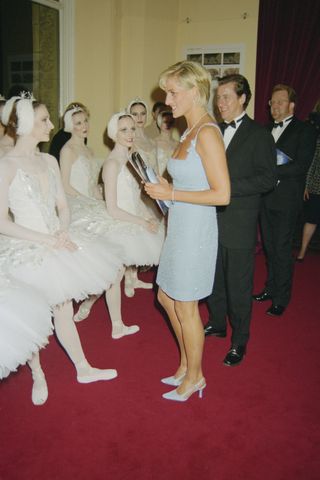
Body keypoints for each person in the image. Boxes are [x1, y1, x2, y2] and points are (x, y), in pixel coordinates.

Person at [0, 94, 123, 405]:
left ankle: (83, 368)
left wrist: (63, 230)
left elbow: (63, 206)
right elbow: (2, 222)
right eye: (44, 120)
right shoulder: (5, 166)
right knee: (32, 317)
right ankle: (38, 373)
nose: (51, 125)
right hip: (24, 247)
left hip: (57, 239)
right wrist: (45, 240)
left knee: (63, 309)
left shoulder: (49, 160)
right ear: (27, 124)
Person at [145, 60, 230, 402]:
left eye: (173, 91)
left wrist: (173, 193)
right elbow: (189, 179)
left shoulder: (207, 132)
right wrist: (165, 185)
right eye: (167, 91)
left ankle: (196, 377)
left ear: (195, 92)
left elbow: (222, 194)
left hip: (196, 230)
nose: (167, 99)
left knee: (186, 306)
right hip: (179, 224)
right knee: (166, 297)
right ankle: (185, 365)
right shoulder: (188, 131)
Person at [204, 74, 277, 366]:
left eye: (226, 97)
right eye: (218, 97)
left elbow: (268, 178)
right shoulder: (214, 130)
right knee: (215, 280)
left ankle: (239, 341)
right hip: (210, 221)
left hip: (240, 223)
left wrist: (227, 187)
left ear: (243, 98)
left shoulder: (259, 134)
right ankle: (218, 323)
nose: (220, 103)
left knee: (238, 285)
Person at [59, 104, 140, 338]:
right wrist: (89, 201)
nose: (84, 126)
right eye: (78, 123)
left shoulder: (88, 150)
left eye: (85, 121)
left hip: (92, 204)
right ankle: (110, 320)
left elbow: (88, 182)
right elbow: (64, 185)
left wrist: (97, 192)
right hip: (78, 209)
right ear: (69, 126)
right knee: (109, 266)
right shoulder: (68, 150)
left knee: (111, 266)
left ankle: (96, 308)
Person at [253, 84, 317, 315]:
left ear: (292, 105)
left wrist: (268, 171)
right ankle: (270, 288)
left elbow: (301, 165)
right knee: (270, 247)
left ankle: (282, 297)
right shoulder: (265, 129)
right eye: (272, 102)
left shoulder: (305, 130)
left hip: (287, 200)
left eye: (280, 101)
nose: (275, 106)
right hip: (265, 199)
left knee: (281, 249)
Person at [296, 100, 320, 261]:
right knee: (311, 218)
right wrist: (306, 184)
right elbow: (312, 160)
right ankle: (302, 252)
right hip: (316, 183)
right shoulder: (314, 128)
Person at [154, 110, 178, 178]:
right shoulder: (153, 143)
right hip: (158, 180)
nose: (168, 125)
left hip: (174, 181)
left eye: (171, 122)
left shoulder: (178, 144)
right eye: (165, 122)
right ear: (159, 123)